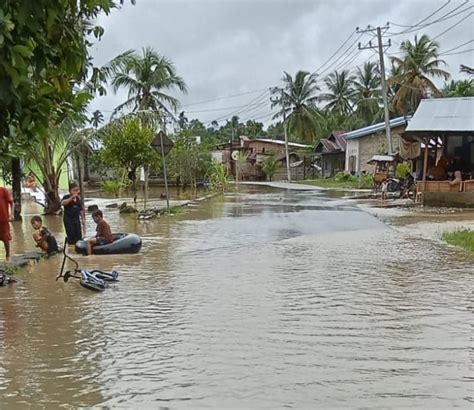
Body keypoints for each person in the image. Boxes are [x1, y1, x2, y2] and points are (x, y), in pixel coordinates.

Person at [0, 186, 14, 261]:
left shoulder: (3, 190)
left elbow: (11, 202)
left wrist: (12, 214)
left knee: (5, 238)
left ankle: (8, 255)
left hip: (3, 219)